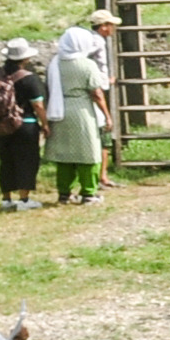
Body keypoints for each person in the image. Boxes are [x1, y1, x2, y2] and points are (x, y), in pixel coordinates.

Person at [44, 18, 112, 203]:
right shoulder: (86, 65)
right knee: (88, 153)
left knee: (64, 155)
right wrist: (107, 115)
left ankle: (64, 193)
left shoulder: (55, 63)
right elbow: (97, 93)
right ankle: (88, 193)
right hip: (81, 111)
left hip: (59, 110)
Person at [0, 39, 46, 210]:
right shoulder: (29, 78)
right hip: (25, 124)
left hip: (1, 125)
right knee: (27, 160)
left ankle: (6, 199)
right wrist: (46, 124)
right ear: (25, 58)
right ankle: (24, 200)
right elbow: (38, 104)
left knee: (6, 161)